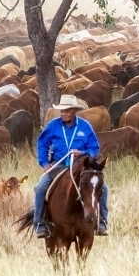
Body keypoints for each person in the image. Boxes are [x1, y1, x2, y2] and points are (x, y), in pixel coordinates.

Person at [34, 95, 106, 238]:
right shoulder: (53, 126)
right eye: (62, 111)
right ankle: (40, 224)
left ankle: (102, 221)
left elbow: (94, 148)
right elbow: (42, 144)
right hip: (59, 164)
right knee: (40, 188)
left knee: (104, 188)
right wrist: (44, 163)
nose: (63, 114)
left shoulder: (85, 126)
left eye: (67, 111)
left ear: (74, 111)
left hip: (82, 166)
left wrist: (83, 152)